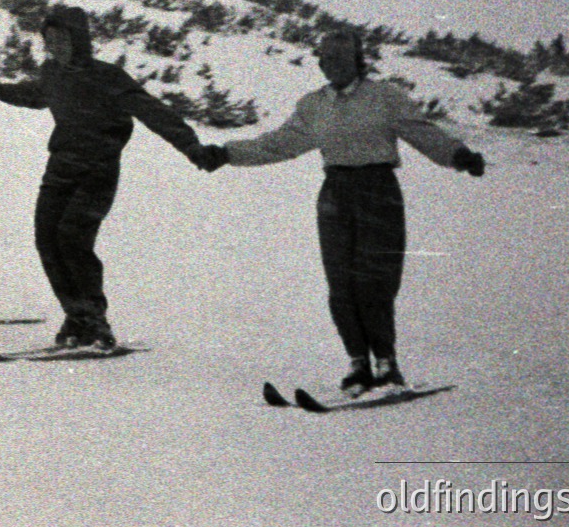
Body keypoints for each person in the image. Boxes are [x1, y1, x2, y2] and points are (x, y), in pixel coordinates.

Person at [204, 27, 486, 394]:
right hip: (335, 193)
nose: (332, 66)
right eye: (326, 59)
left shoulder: (385, 97)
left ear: (358, 61)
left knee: (376, 280)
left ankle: (386, 364)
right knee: (341, 284)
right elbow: (279, 144)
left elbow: (422, 132)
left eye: (341, 58)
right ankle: (358, 364)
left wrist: (458, 155)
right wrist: (226, 153)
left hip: (379, 191)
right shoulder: (313, 105)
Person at [0, 5, 215, 350]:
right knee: (47, 240)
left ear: (80, 39)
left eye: (62, 39)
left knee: (73, 239)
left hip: (98, 171)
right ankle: (76, 317)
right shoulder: (53, 73)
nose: (55, 46)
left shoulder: (108, 77)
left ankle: (95, 322)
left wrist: (191, 146)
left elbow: (153, 111)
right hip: (60, 167)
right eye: (49, 40)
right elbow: (34, 94)